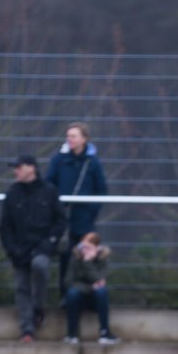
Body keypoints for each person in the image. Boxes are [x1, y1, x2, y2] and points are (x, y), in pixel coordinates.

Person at [0, 153, 66, 343]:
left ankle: (39, 306)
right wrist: (12, 249)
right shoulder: (12, 193)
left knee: (40, 267)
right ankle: (27, 329)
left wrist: (48, 243)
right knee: (22, 287)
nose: (15, 171)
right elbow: (5, 227)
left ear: (31, 168)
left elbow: (60, 221)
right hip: (19, 249)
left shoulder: (49, 191)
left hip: (41, 247)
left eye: (19, 167)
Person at [46, 122, 108, 299]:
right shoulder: (59, 160)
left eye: (74, 136)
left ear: (84, 139)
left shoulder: (92, 163)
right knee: (65, 257)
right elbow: (49, 183)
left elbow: (101, 189)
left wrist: (91, 212)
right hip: (63, 218)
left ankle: (85, 297)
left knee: (85, 256)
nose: (70, 139)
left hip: (84, 220)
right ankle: (65, 296)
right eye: (68, 136)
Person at [62, 232, 119, 345]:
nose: (84, 250)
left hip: (96, 298)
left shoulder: (103, 260)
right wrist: (89, 286)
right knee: (72, 293)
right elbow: (68, 282)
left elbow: (101, 279)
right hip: (79, 296)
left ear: (96, 248)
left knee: (102, 292)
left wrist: (88, 263)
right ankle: (72, 334)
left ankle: (105, 332)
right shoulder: (75, 259)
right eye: (82, 246)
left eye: (88, 247)